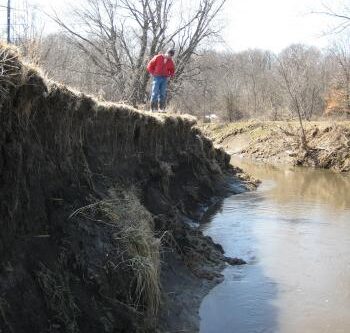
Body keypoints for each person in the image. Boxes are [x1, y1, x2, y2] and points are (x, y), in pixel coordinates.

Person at [147, 48, 175, 112]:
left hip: (164, 78)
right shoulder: (158, 57)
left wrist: (170, 76)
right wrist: (153, 73)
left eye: (171, 56)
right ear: (167, 53)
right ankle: (153, 108)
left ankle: (161, 108)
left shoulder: (170, 61)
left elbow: (172, 70)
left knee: (162, 93)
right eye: (169, 55)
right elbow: (149, 65)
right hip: (157, 77)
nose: (169, 57)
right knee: (155, 92)